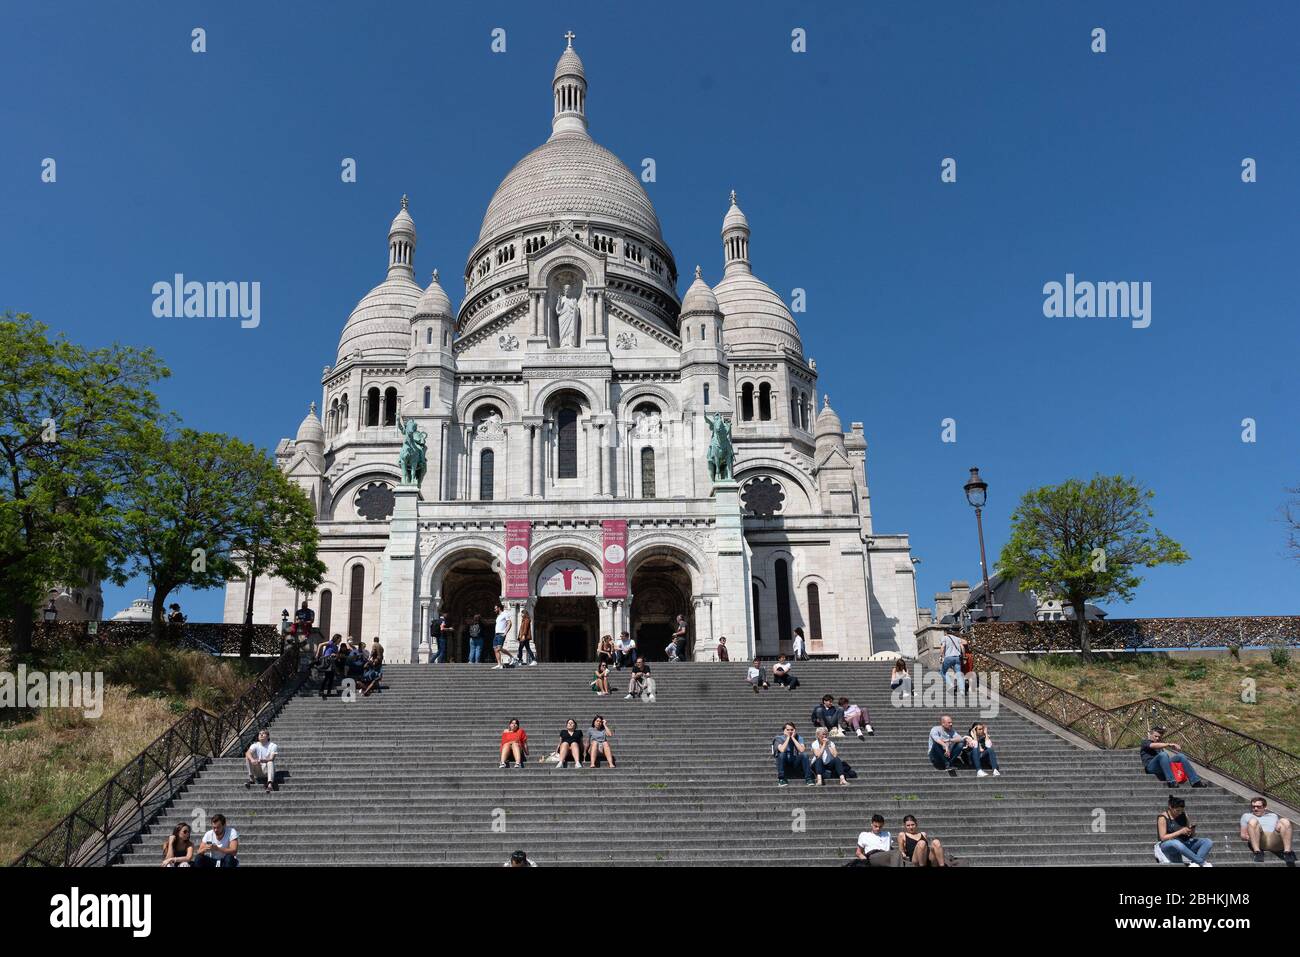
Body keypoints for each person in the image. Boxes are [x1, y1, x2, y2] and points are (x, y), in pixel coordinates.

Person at [1140, 726, 1207, 788]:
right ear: (1151, 735)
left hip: (1162, 766)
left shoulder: (1160, 745)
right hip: (1151, 767)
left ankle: (1195, 781)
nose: (1157, 738)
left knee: (1181, 756)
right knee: (1163, 754)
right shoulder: (1145, 742)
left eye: (1159, 737)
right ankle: (1171, 781)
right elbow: (1152, 745)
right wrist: (1168, 744)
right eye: (1155, 736)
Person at [1158, 796, 1213, 866]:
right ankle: (1201, 862)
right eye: (1177, 810)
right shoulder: (1163, 817)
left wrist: (1192, 830)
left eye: (1182, 810)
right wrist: (1180, 832)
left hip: (1183, 843)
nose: (1180, 813)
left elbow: (1191, 836)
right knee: (1176, 843)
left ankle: (1194, 864)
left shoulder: (1183, 815)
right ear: (1170, 807)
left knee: (1207, 841)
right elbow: (1163, 837)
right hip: (1168, 846)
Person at [1240, 796, 1296, 865]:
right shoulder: (1246, 816)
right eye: (1253, 807)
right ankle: (1257, 852)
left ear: (1265, 807)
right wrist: (1251, 838)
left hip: (1274, 839)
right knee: (1253, 821)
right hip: (1260, 839)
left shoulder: (1273, 815)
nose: (1255, 809)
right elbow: (1243, 836)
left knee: (1285, 821)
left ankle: (1287, 852)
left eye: (1258, 806)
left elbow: (1282, 829)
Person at [773, 722, 815, 787]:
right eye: (788, 730)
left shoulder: (799, 738)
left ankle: (809, 778)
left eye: (792, 729)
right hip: (784, 761)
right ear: (784, 730)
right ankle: (781, 779)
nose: (790, 731)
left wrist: (793, 738)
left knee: (805, 755)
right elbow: (782, 749)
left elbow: (802, 750)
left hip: (794, 761)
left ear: (794, 730)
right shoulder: (778, 738)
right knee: (782, 754)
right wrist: (787, 738)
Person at [940, 628, 965, 693]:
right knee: (958, 673)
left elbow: (943, 647)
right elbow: (962, 647)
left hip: (948, 657)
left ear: (946, 632)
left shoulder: (944, 637)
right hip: (957, 657)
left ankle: (951, 685)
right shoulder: (957, 638)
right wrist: (964, 656)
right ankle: (962, 690)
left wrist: (941, 656)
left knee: (943, 672)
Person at [491, 603, 512, 669]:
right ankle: (499, 664)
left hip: (501, 634)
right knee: (495, 649)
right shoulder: (498, 616)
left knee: (499, 648)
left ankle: (511, 657)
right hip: (496, 634)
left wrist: (505, 633)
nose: (494, 610)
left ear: (499, 608)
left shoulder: (505, 614)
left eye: (495, 608)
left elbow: (509, 623)